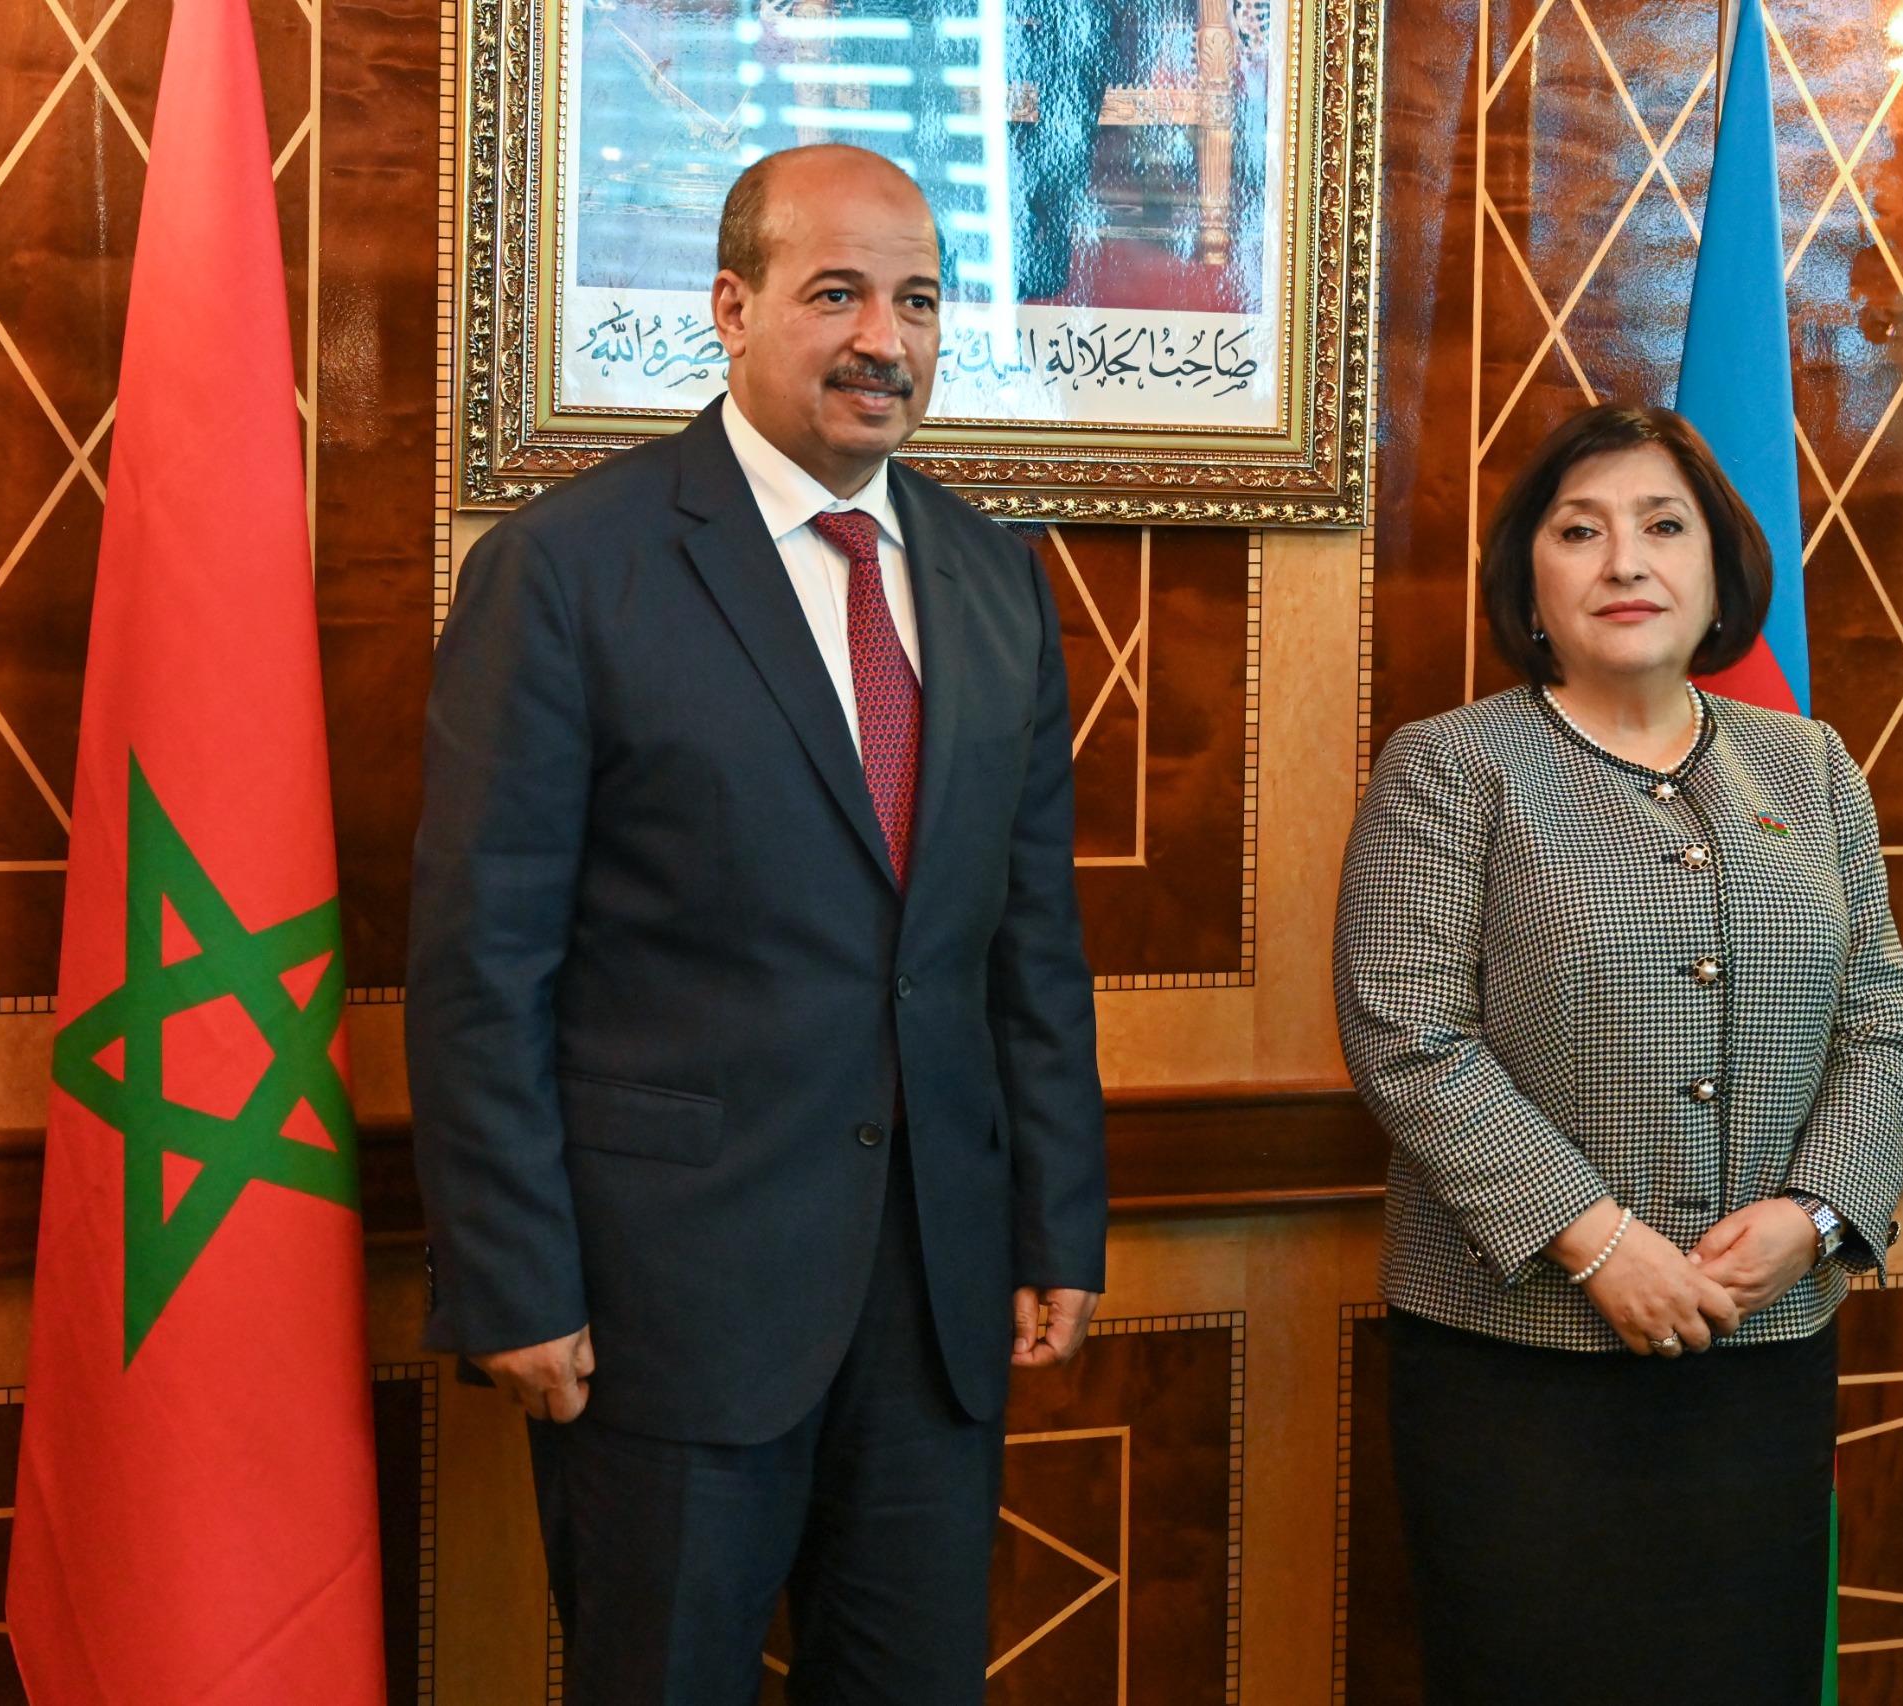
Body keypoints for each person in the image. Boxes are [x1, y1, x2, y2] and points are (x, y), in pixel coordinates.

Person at [408, 143, 1108, 1704]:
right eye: (837, 293)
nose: (887, 339)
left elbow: (1029, 940)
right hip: (666, 1304)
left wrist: (1059, 1215)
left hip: (936, 1304)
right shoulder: (570, 570)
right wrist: (514, 1277)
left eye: (919, 300)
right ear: (731, 307)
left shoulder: (993, 579)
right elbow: (479, 960)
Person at [1333, 403, 1903, 1705]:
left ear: (1718, 567)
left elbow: (1880, 1016)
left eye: (1665, 527)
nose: (1625, 562)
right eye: (1580, 531)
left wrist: (1815, 1215)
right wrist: (1598, 1241)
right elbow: (1410, 1039)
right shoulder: (1452, 768)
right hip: (1520, 1362)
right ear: (1530, 577)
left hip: (1760, 1343)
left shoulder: (1811, 764)